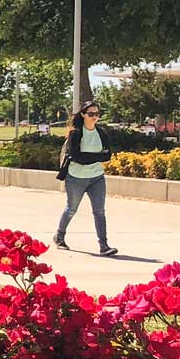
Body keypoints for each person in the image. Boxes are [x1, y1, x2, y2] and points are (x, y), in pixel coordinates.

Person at [54, 102, 117, 256]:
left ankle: (104, 245)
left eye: (97, 114)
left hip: (97, 177)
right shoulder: (75, 133)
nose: (94, 117)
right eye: (91, 114)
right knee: (71, 209)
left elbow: (107, 155)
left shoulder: (101, 133)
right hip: (76, 178)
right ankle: (59, 236)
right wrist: (97, 157)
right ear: (83, 114)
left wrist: (90, 157)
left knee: (99, 211)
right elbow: (77, 157)